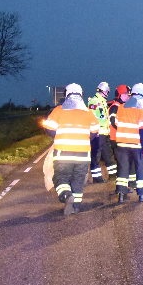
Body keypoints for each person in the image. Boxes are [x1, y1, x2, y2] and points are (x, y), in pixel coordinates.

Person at [42, 83, 99, 216]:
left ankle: (67, 196)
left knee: (60, 178)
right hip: (83, 155)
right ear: (81, 95)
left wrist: (60, 135)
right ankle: (76, 207)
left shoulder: (58, 111)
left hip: (63, 154)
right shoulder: (89, 113)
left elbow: (49, 129)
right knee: (78, 181)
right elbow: (95, 132)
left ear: (67, 95)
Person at [114, 83, 143, 203]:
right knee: (141, 169)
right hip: (136, 145)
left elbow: (116, 123)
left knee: (123, 169)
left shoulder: (121, 107)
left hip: (121, 144)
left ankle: (121, 194)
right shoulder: (142, 109)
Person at [87, 81, 117, 183]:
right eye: (107, 91)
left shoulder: (103, 101)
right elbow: (95, 117)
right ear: (103, 91)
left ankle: (113, 175)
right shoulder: (94, 101)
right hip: (98, 133)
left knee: (108, 155)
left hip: (105, 133)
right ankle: (97, 178)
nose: (108, 94)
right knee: (96, 156)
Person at [108, 84, 135, 194]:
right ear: (119, 95)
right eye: (125, 95)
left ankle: (127, 186)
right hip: (116, 139)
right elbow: (113, 122)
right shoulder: (115, 106)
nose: (128, 97)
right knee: (123, 164)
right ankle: (121, 188)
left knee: (126, 163)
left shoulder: (122, 106)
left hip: (121, 138)